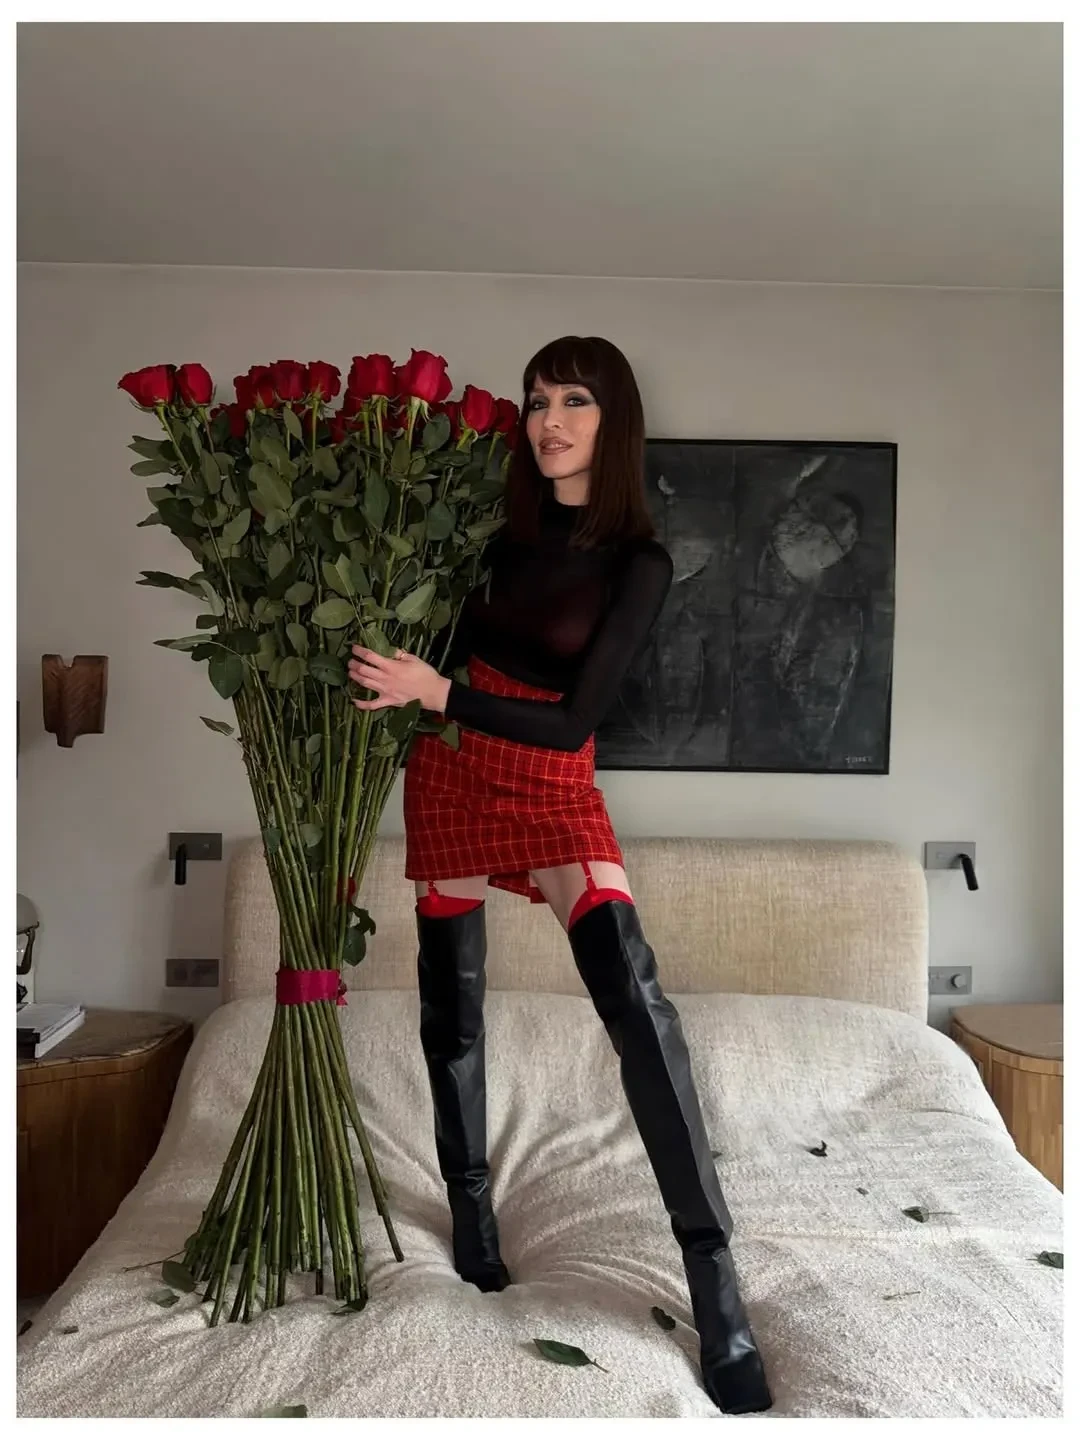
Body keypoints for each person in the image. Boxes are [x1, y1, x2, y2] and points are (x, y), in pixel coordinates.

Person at [346, 335, 772, 1415]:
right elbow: (434, 652)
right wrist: (413, 689)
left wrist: (437, 694)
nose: (550, 420)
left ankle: (715, 1284)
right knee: (452, 1003)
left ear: (612, 419)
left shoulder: (639, 561)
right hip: (451, 767)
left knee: (636, 1001)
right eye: (537, 401)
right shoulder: (493, 538)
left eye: (574, 400)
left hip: (547, 773)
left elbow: (577, 721)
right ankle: (472, 1213)